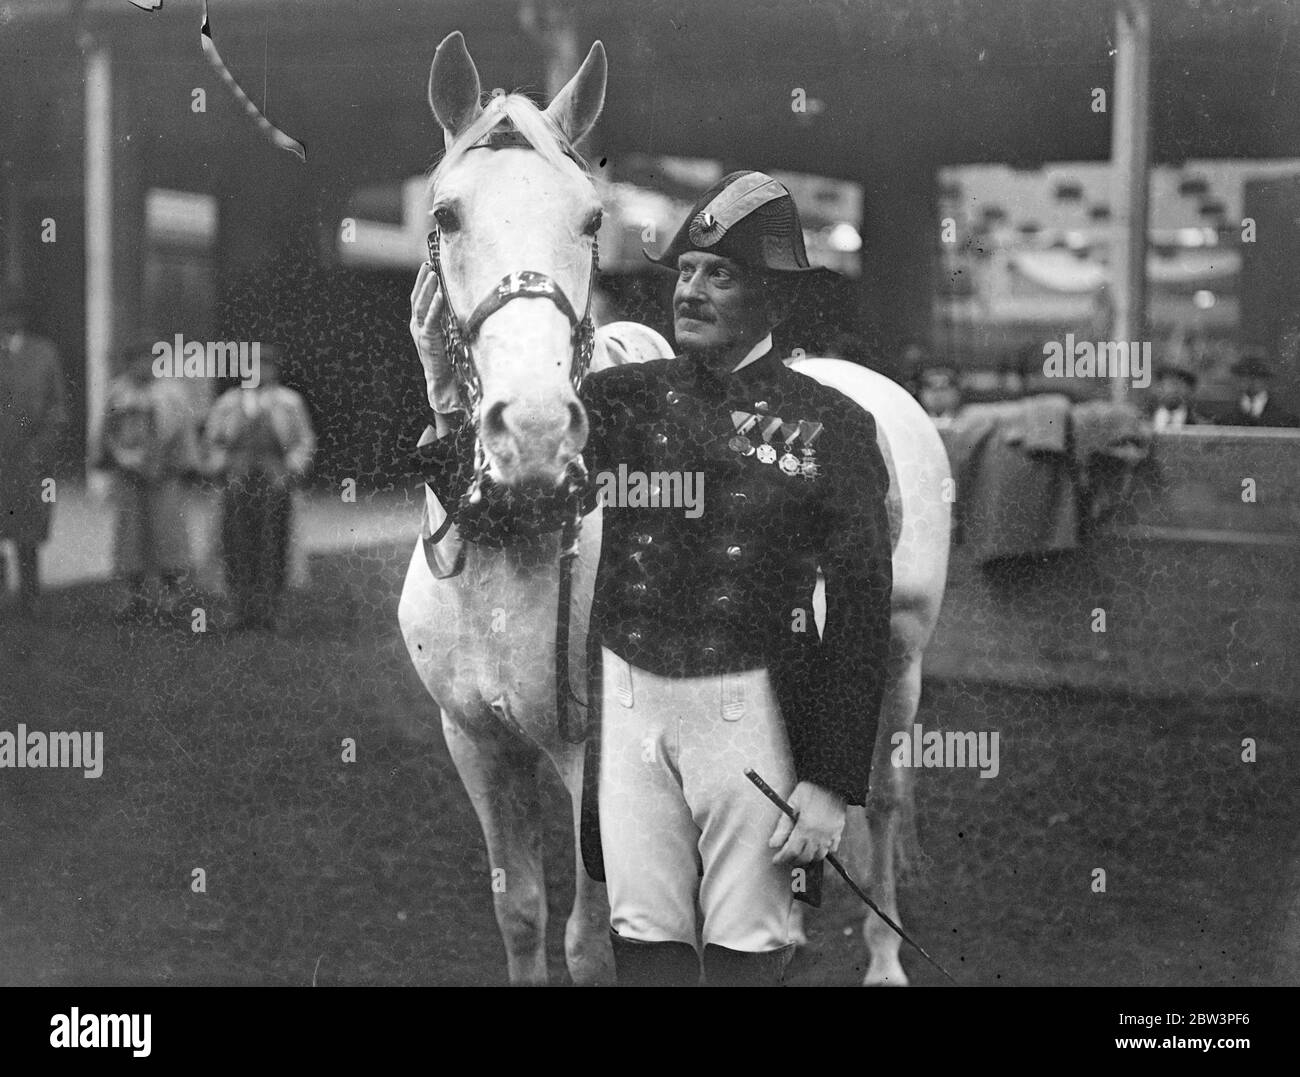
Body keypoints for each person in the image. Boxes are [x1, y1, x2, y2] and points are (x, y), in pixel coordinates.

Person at [414, 171, 893, 986]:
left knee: (747, 949)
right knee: (646, 950)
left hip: (758, 722)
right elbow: (496, 502)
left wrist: (831, 780)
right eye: (686, 272)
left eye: (721, 274)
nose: (692, 290)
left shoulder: (835, 427)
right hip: (631, 724)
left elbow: (859, 612)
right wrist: (446, 388)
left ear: (774, 301)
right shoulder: (619, 400)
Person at [93, 332, 205, 621]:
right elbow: (107, 431)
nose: (143, 366)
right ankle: (135, 597)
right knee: (130, 536)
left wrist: (179, 464)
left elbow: (183, 432)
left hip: (163, 473)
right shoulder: (118, 392)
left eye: (149, 359)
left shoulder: (172, 392)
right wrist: (116, 457)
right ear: (128, 363)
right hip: (128, 473)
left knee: (168, 535)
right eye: (136, 361)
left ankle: (172, 597)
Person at [204, 345, 315, 631]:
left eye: (265, 366)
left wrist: (291, 468)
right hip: (238, 481)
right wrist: (221, 465)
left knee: (272, 545)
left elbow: (303, 441)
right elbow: (213, 440)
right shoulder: (230, 402)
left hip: (274, 482)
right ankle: (239, 609)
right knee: (236, 543)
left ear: (275, 370)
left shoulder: (288, 403)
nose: (258, 372)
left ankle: (270, 610)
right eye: (252, 365)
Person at [0, 296, 66, 615]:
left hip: (30, 458)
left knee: (27, 530)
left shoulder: (43, 353)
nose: (8, 319)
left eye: (13, 311)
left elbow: (57, 406)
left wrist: (42, 445)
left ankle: (30, 596)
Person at [1209, 354, 1298, 428]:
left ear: (1267, 380)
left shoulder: (1286, 415)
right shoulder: (1223, 415)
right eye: (1245, 376)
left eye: (1258, 376)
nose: (1251, 381)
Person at [1147, 361, 1205, 430]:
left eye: (1181, 384)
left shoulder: (1201, 426)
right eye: (1169, 383)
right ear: (1159, 388)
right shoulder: (1143, 420)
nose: (1174, 389)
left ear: (1190, 390)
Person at [916, 362, 964, 427]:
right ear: (921, 393)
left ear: (957, 393)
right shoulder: (913, 421)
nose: (938, 394)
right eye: (931, 388)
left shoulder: (968, 420)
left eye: (943, 388)